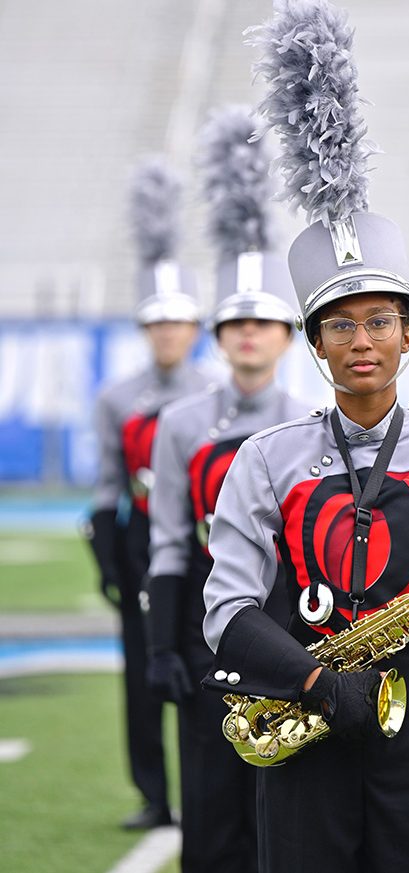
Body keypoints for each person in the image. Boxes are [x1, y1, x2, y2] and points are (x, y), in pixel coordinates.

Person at [201, 3, 409, 872]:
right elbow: (227, 609)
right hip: (302, 718)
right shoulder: (264, 457)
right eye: (339, 326)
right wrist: (318, 681)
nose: (362, 341)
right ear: (314, 345)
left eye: (381, 320)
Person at [145, 106, 308, 873]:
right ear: (216, 336)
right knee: (211, 818)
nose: (249, 333)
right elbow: (170, 540)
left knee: (286, 814)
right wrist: (162, 646)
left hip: (290, 633)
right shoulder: (180, 423)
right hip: (203, 638)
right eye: (235, 323)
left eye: (265, 322)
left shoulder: (310, 422)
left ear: (288, 337)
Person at [84, 157, 209, 830]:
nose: (167, 334)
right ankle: (153, 793)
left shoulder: (214, 393)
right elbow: (108, 481)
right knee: (142, 671)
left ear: (195, 329)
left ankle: (210, 787)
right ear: (144, 330)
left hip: (201, 542)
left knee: (207, 664)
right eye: (156, 324)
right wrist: (109, 557)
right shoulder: (116, 397)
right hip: (141, 541)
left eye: (178, 323)